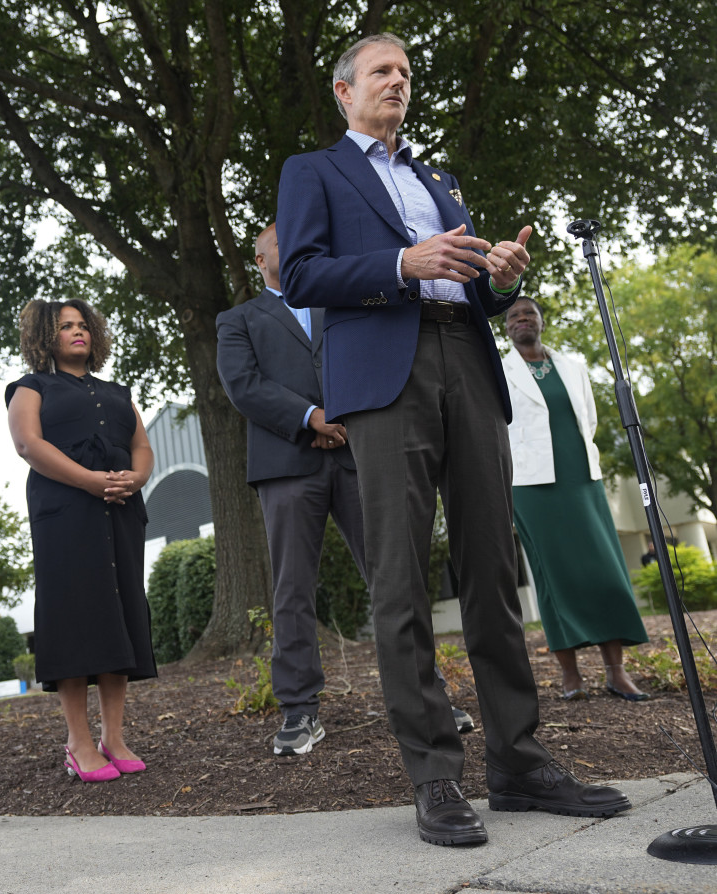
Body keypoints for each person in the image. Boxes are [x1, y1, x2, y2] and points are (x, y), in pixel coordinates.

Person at [276, 33, 630, 846]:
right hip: (384, 373)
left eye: (406, 73)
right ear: (343, 91)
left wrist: (501, 276)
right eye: (381, 71)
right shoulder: (313, 171)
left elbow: (471, 276)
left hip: (468, 361)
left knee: (493, 569)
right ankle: (435, 774)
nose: (397, 81)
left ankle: (518, 761)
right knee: (400, 576)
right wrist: (403, 262)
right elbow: (301, 274)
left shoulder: (440, 179)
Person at [217, 224, 475, 758]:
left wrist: (351, 418)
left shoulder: (345, 303)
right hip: (288, 464)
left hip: (363, 457)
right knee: (292, 590)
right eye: (281, 241)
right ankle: (299, 711)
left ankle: (428, 697)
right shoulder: (237, 320)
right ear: (260, 257)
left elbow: (377, 361)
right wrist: (311, 416)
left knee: (395, 578)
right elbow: (244, 386)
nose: (294, 244)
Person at [5, 299, 157, 782]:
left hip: (120, 511)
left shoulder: (117, 391)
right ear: (45, 337)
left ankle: (113, 736)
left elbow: (142, 445)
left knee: (120, 615)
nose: (77, 332)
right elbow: (30, 444)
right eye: (65, 326)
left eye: (83, 325)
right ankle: (78, 742)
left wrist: (135, 479)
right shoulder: (31, 388)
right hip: (65, 515)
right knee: (73, 619)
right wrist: (91, 481)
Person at [503, 297, 649, 701]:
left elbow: (591, 419)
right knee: (554, 577)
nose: (522, 320)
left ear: (541, 322)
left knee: (604, 569)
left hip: (582, 478)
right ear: (506, 328)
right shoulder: (499, 370)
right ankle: (571, 676)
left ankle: (616, 672)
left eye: (529, 313)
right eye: (514, 316)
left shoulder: (574, 366)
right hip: (532, 486)